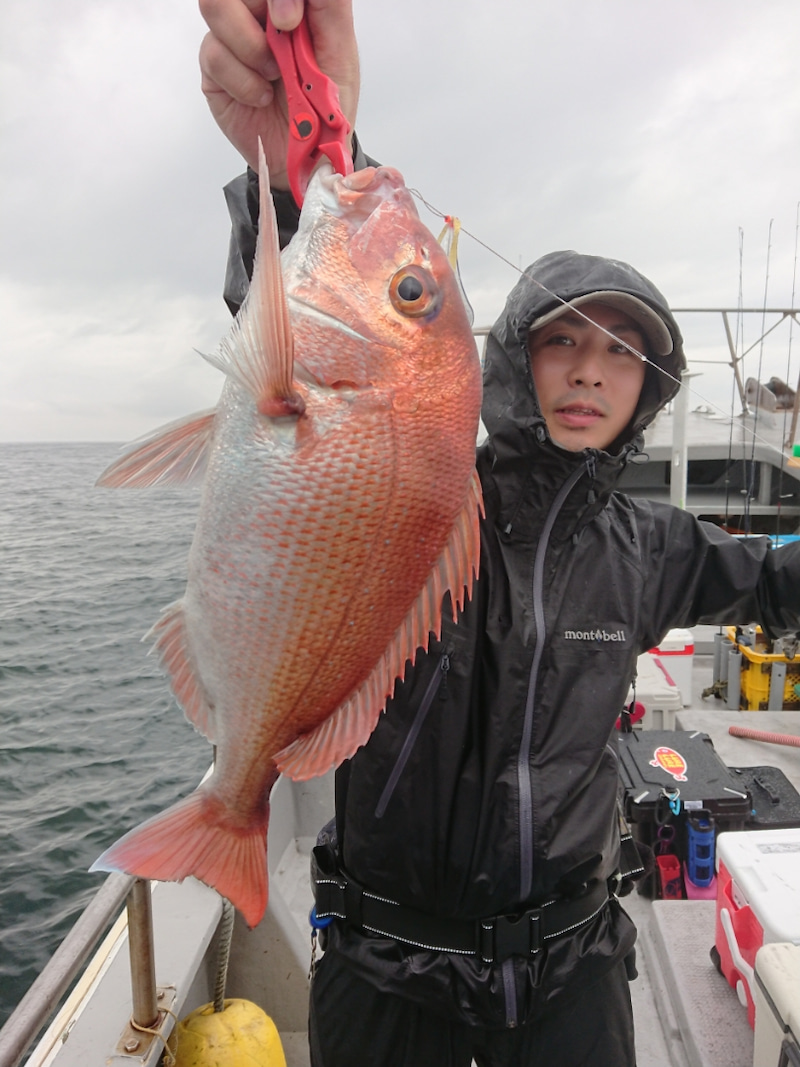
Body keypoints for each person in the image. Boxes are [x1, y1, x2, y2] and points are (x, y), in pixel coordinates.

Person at [198, 3, 800, 1064]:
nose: (585, 371)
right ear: (513, 356)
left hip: (570, 966)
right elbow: (316, 344)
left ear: (645, 388)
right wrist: (301, 165)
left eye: (619, 353)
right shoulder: (424, 491)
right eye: (561, 339)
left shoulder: (651, 547)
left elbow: (771, 584)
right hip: (386, 967)